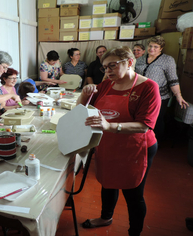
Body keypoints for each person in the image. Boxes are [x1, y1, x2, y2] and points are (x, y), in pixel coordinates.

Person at [77, 46, 161, 236]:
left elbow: (145, 126)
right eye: (104, 68)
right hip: (108, 145)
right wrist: (84, 94)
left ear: (129, 62)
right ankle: (106, 217)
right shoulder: (106, 84)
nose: (107, 72)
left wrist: (110, 126)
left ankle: (135, 232)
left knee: (133, 193)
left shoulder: (148, 87)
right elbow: (79, 111)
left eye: (112, 66)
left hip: (135, 148)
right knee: (108, 183)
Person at [135, 36, 189, 143]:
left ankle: (155, 143)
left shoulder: (168, 60)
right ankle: (141, 141)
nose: (152, 49)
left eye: (156, 47)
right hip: (140, 95)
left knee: (156, 120)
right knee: (140, 117)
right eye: (150, 46)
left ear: (161, 48)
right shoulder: (140, 59)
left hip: (159, 96)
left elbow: (172, 80)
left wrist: (178, 95)